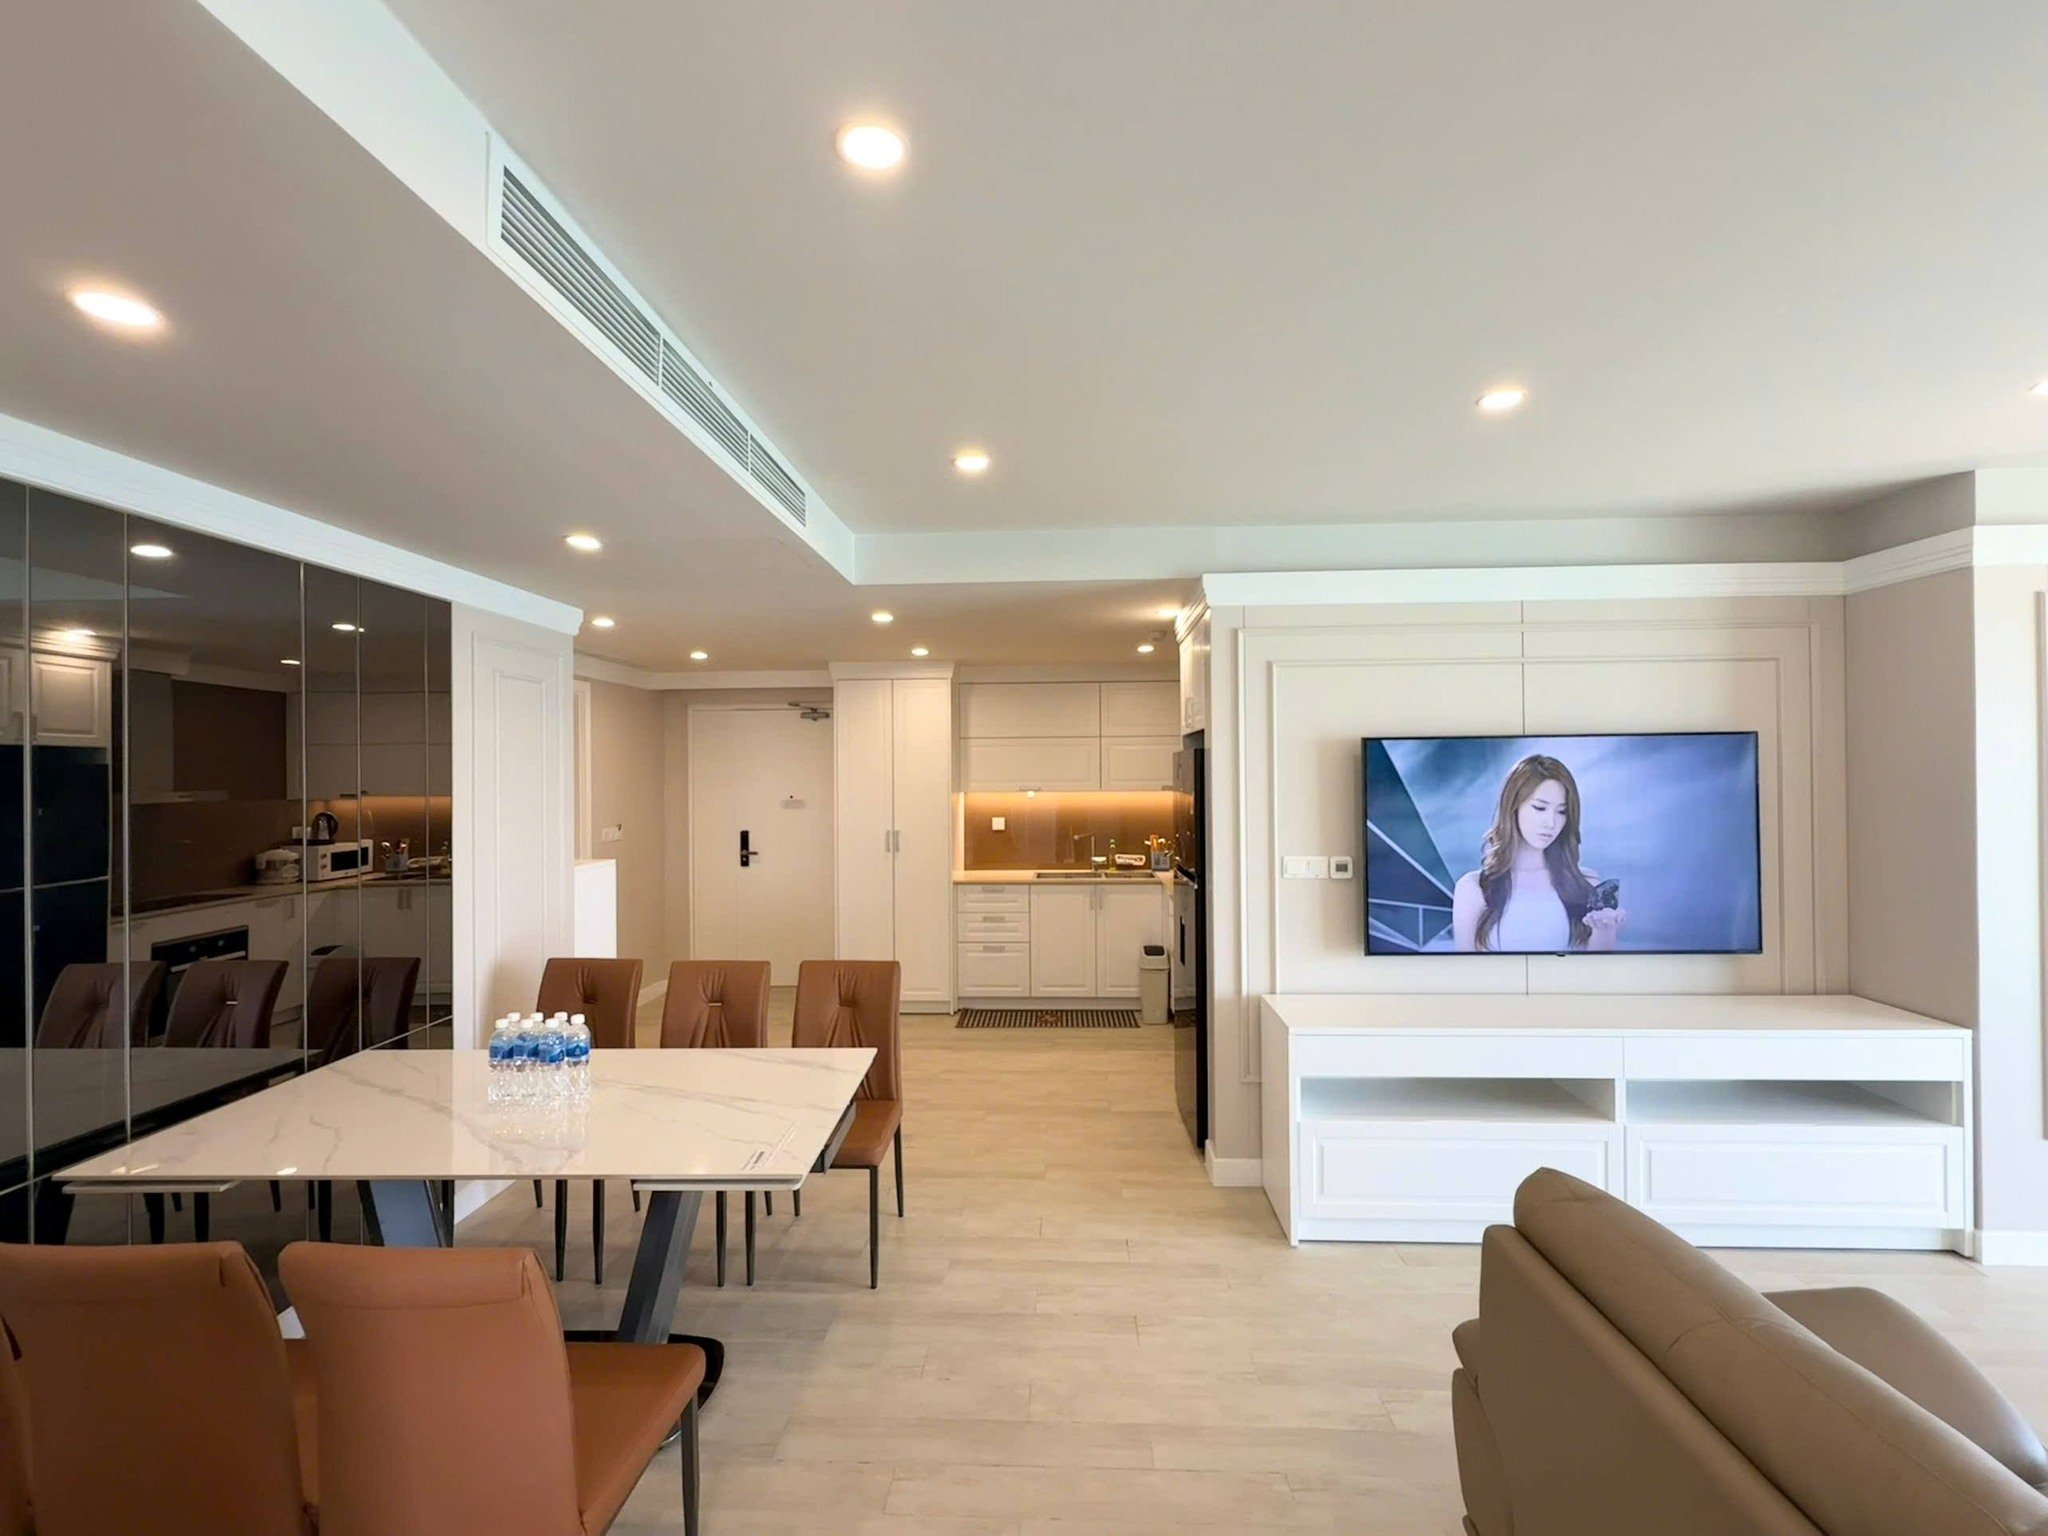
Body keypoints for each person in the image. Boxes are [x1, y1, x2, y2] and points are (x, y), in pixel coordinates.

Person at [1450, 754, 1626, 953]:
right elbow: (1467, 968)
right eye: (1540, 808)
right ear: (1513, 807)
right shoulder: (1474, 889)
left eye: (1562, 811)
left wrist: (1605, 931)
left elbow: (1599, 967)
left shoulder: (1586, 883)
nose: (1551, 823)